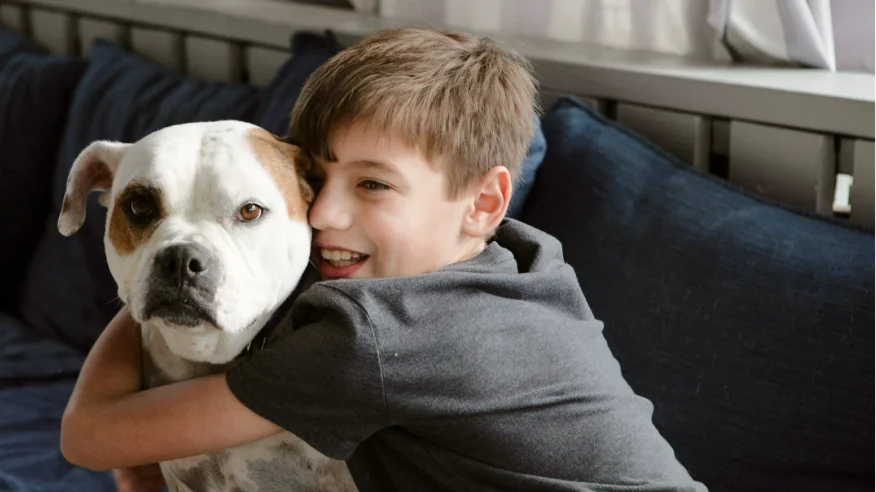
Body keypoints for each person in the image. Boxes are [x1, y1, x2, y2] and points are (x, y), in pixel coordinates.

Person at [61, 26, 707, 492]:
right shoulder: (527, 259)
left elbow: (89, 436)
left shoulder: (367, 339)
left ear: (484, 202)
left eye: (372, 184)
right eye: (320, 180)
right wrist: (165, 274)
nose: (322, 214)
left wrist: (162, 283)